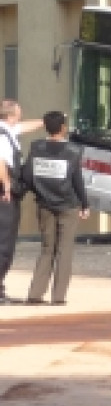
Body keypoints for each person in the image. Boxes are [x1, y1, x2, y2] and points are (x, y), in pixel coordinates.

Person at [22, 111, 90, 305]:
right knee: (64, 250)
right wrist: (84, 204)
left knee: (46, 248)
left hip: (43, 203)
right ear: (63, 128)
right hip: (68, 204)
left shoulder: (36, 147)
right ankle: (58, 297)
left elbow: (27, 176)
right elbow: (77, 180)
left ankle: (35, 294)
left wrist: (38, 191)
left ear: (45, 127)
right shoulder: (74, 150)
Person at [0, 99, 26, 303]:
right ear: (9, 116)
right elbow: (0, 160)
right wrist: (7, 184)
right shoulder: (2, 136)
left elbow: (23, 127)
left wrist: (46, 122)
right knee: (4, 243)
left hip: (8, 191)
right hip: (5, 193)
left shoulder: (8, 130)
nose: (20, 116)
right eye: (18, 113)